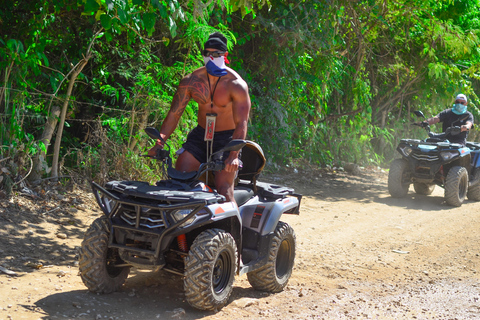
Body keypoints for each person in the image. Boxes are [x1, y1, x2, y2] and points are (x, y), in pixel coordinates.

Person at [148, 32, 251, 205]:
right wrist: (159, 142)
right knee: (179, 182)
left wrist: (233, 155)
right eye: (207, 53)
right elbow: (174, 114)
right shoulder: (191, 81)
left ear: (225, 56)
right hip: (201, 135)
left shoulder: (236, 85)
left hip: (227, 139)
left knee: (224, 192)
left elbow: (242, 123)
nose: (211, 57)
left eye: (216, 54)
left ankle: (234, 231)